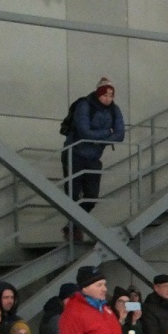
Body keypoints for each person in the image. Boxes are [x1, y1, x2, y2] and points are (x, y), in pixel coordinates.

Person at [61, 77, 125, 224]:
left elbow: (120, 135)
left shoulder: (115, 110)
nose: (108, 99)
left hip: (93, 158)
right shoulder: (84, 105)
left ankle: (74, 225)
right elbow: (84, 132)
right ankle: (73, 229)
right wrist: (108, 132)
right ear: (98, 93)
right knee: (72, 196)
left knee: (91, 197)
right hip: (74, 154)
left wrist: (98, 139)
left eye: (111, 96)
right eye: (105, 95)